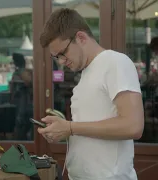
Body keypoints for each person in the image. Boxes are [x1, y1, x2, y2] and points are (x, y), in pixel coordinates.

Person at [38, 8, 144, 180]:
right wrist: (64, 130)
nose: (62, 62)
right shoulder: (88, 72)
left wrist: (70, 128)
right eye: (56, 57)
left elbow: (133, 125)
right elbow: (91, 128)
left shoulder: (114, 62)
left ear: (81, 37)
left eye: (62, 53)